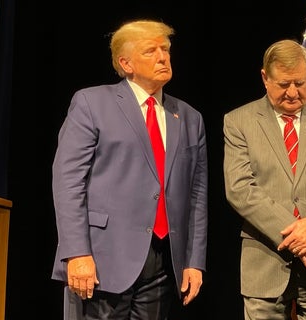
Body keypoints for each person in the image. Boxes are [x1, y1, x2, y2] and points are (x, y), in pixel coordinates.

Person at [51, 19, 208, 319]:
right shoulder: (91, 102)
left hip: (163, 262)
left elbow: (197, 195)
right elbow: (68, 181)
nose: (163, 57)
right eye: (151, 51)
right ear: (126, 63)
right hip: (101, 258)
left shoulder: (189, 117)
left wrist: (194, 260)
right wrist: (77, 253)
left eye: (166, 49)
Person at [223, 39, 306, 320]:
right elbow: (239, 189)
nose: (293, 93)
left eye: (301, 82)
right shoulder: (239, 122)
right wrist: (300, 237)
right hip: (265, 261)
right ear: (265, 78)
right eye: (284, 84)